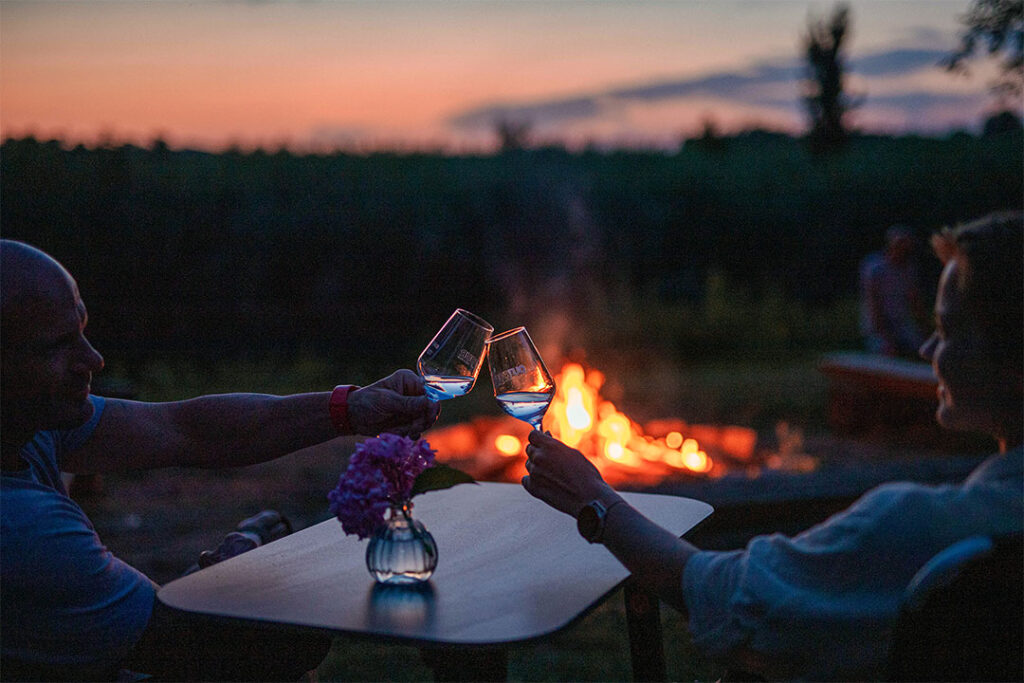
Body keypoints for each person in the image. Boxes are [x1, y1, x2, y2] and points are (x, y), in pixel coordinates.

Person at [522, 211, 1022, 680]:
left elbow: (722, 595)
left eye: (949, 331)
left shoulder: (922, 528)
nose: (927, 349)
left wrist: (595, 499)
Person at [0, 239, 441, 681]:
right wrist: (238, 566)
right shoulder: (23, 526)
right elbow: (208, 644)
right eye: (58, 346)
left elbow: (186, 429)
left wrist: (351, 407)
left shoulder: (26, 422)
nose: (93, 359)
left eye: (82, 329)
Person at [859, 224, 927, 357]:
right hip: (877, 327)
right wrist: (885, 335)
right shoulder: (874, 267)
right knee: (886, 350)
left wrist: (926, 330)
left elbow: (915, 301)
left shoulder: (909, 270)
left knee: (922, 348)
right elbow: (873, 303)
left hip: (901, 323)